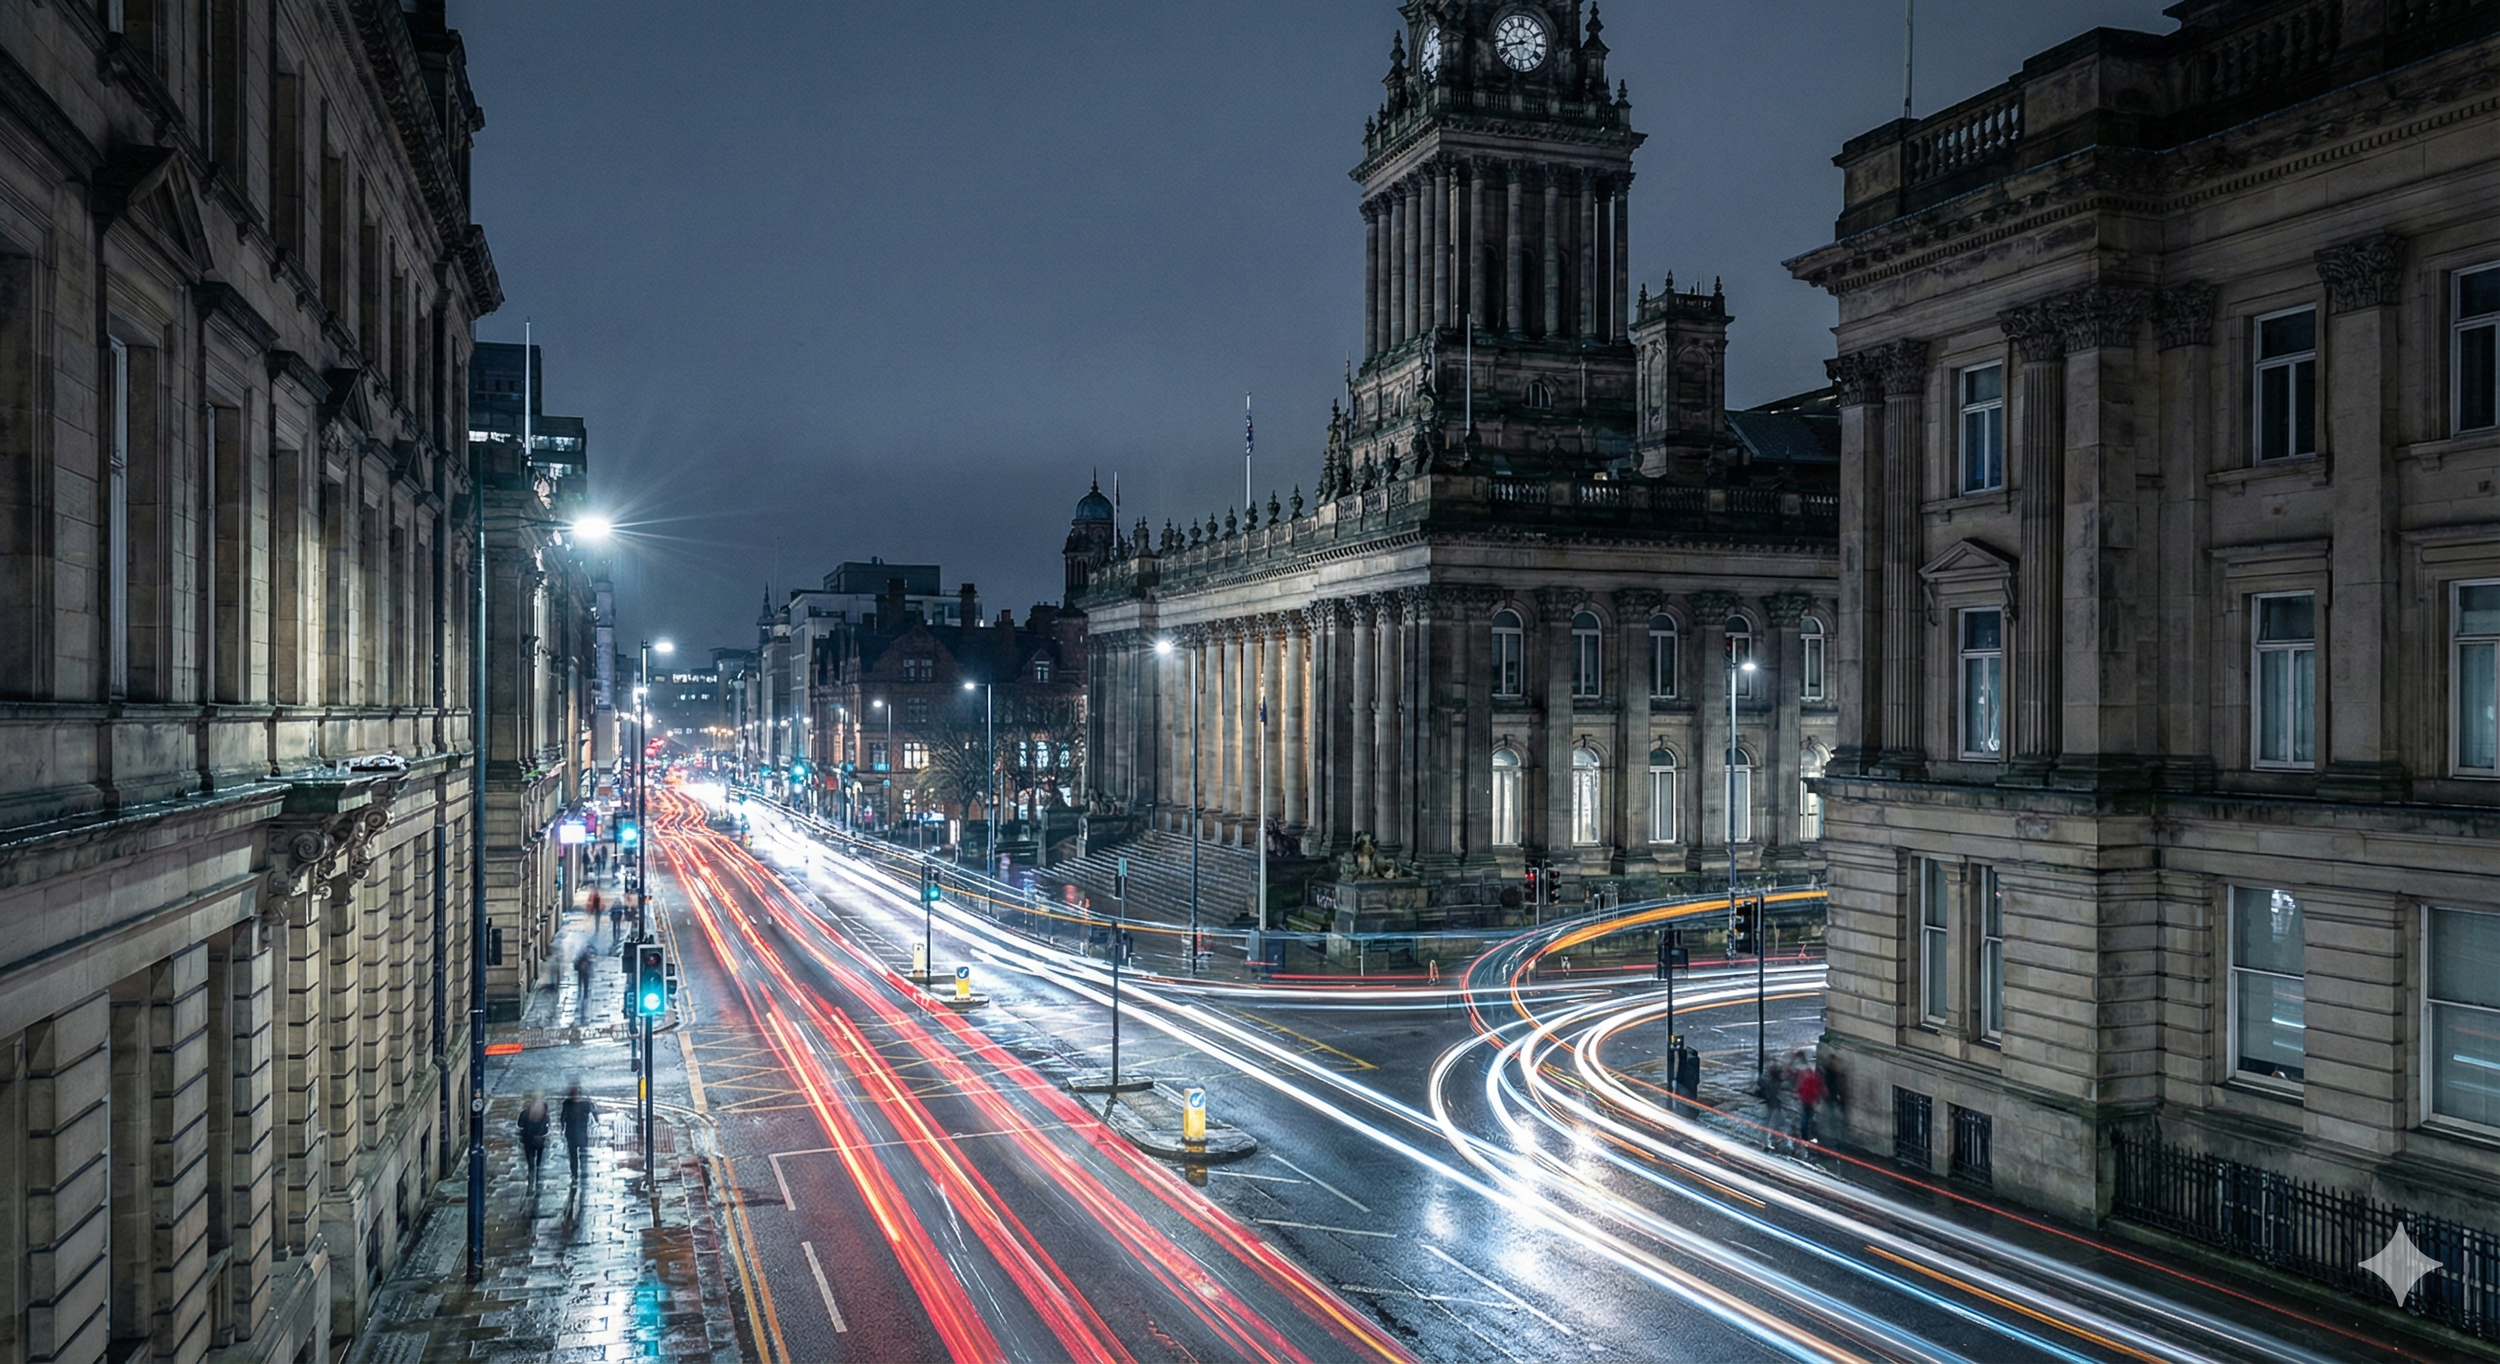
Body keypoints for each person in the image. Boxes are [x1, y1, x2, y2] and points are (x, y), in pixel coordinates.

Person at [560, 1082, 597, 1183]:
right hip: (573, 1133)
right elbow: (562, 1118)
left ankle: (579, 1173)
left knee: (581, 1155)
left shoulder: (583, 1103)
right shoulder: (573, 1103)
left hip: (578, 1133)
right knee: (575, 1155)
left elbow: (593, 1113)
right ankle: (575, 1174)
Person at [518, 1092, 551, 1197]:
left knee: (530, 1161)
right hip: (539, 1140)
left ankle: (531, 1180)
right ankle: (537, 1179)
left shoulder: (525, 1112)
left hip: (528, 1139)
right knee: (538, 1161)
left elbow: (519, 1124)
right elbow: (548, 1126)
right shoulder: (544, 1114)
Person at [1794, 1055, 1827, 1143]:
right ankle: (1806, 1135)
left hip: (1807, 1099)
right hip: (1809, 1100)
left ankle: (1805, 1135)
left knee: (1807, 1117)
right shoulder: (1812, 1076)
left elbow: (1801, 1087)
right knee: (1808, 1117)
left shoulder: (1806, 1075)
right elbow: (1818, 1087)